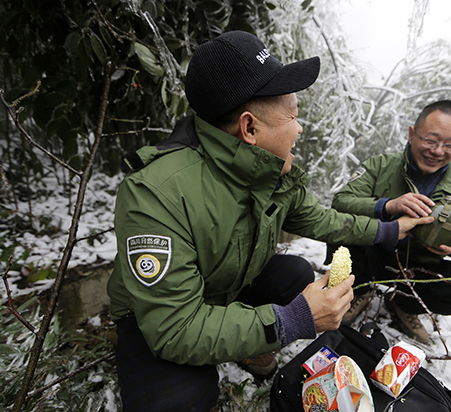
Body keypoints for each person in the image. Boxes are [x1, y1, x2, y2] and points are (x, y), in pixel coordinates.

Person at [106, 31, 432, 412]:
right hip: (163, 317)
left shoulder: (269, 172)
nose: (300, 128)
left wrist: (389, 228)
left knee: (294, 273)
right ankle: (234, 345)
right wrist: (291, 320)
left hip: (227, 285)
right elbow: (175, 328)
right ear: (249, 129)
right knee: (176, 401)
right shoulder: (156, 194)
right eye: (293, 115)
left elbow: (322, 220)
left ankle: (244, 345)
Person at [330, 100, 451, 344]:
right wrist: (387, 206)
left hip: (419, 265)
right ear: (411, 134)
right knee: (342, 229)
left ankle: (404, 303)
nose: (438, 151)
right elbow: (341, 202)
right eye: (430, 140)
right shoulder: (381, 165)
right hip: (371, 249)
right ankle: (360, 290)